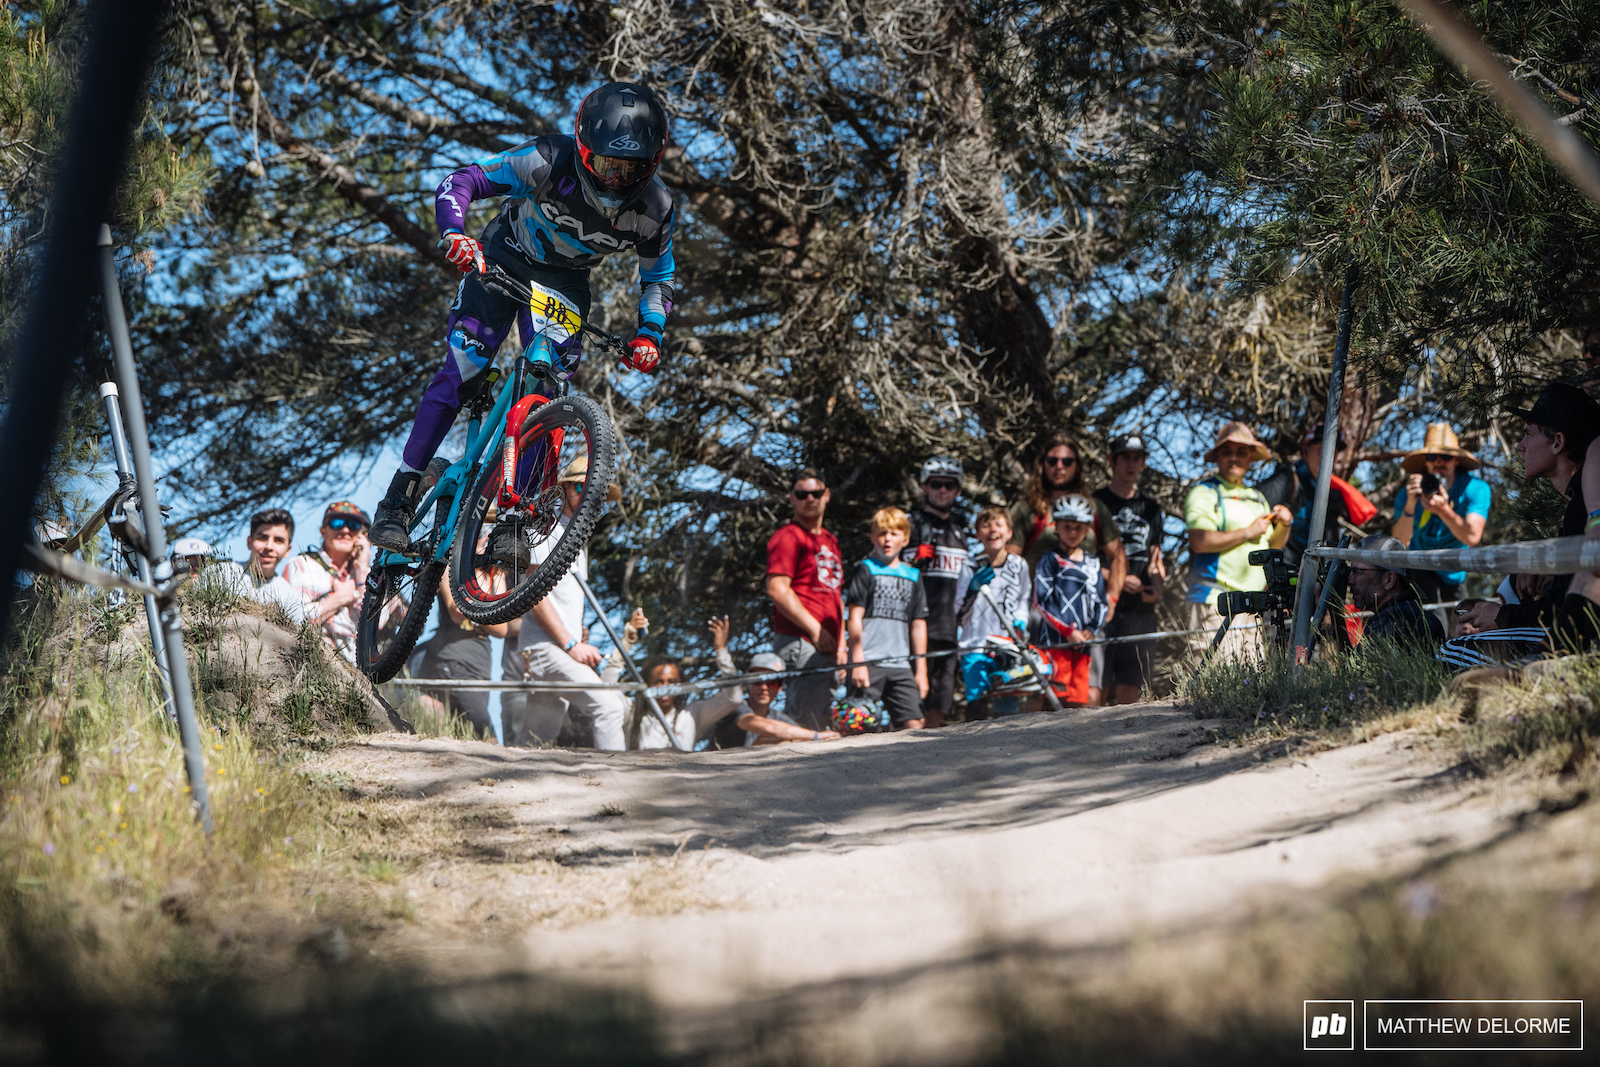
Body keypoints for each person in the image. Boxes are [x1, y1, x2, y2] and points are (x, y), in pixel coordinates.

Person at [370, 82, 676, 551]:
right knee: (464, 369)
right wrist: (455, 233)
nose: (615, 180)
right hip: (504, 254)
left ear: (651, 166)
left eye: (629, 169)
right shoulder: (547, 158)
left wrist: (650, 334)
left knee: (545, 386)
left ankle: (516, 516)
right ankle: (400, 495)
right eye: (606, 164)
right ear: (581, 147)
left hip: (565, 283)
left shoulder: (655, 208)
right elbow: (463, 180)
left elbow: (657, 277)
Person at [1445, 384, 1600, 668]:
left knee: (1455, 650)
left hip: (1580, 644)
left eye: (1529, 433)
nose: (1520, 445)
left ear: (1558, 442)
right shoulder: (1578, 505)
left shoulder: (1582, 508)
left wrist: (1501, 616)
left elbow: (1565, 607)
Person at [505, 457, 626, 748]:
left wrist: (576, 634)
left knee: (537, 740)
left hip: (554, 649)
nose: (588, 496)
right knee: (610, 707)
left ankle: (508, 786)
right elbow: (535, 595)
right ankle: (621, 786)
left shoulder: (577, 537)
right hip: (548, 650)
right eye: (581, 487)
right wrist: (571, 645)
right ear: (564, 491)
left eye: (596, 491)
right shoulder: (547, 529)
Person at [1007, 433, 1127, 704]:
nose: (1059, 466)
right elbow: (1009, 560)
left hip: (1086, 612)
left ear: (1077, 466)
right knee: (1038, 685)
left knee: (1089, 686)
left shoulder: (1094, 508)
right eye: (1052, 460)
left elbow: (1117, 554)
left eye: (1067, 461)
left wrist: (1111, 599)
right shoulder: (1028, 508)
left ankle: (1088, 742)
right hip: (1038, 611)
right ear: (1043, 465)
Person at [1184, 422, 1292, 662]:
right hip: (1216, 603)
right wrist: (1247, 532)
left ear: (1251, 457)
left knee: (1250, 688)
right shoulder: (1204, 493)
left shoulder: (1257, 498)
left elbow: (1271, 549)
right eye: (1227, 451)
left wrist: (1284, 525)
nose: (1234, 457)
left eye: (1241, 451)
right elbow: (1199, 542)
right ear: (1217, 457)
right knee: (1215, 686)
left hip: (1251, 607)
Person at [766, 468, 846, 732]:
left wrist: (842, 645)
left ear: (827, 496)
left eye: (816, 493)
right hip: (802, 642)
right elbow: (777, 589)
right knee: (805, 725)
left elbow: (835, 594)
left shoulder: (831, 540)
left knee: (822, 721)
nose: (809, 499)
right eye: (802, 494)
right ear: (792, 498)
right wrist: (815, 630)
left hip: (827, 646)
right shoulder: (788, 536)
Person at [1092, 434, 1167, 704]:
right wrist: (1117, 578)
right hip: (1100, 605)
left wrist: (1157, 588)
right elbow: (1082, 558)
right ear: (1112, 460)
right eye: (1125, 457)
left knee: (1131, 689)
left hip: (1141, 610)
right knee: (1094, 689)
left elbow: (1157, 557)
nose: (1131, 464)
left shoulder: (1152, 508)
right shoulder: (1095, 503)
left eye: (1137, 458)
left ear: (1145, 463)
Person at [845, 508, 930, 730]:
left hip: (900, 664)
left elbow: (918, 623)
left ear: (906, 538)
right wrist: (858, 661)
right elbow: (854, 618)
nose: (887, 539)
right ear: (873, 538)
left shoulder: (914, 575)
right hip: (869, 661)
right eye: (882, 533)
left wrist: (921, 670)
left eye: (894, 533)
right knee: (857, 722)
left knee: (915, 722)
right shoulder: (866, 570)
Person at [1390, 423, 1490, 609]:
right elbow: (1399, 542)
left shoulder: (1475, 488)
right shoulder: (1408, 493)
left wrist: (1444, 510)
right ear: (1424, 461)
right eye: (1431, 456)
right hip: (1420, 566)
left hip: (1454, 570)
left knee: (1461, 622)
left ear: (1457, 460)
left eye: (1446, 457)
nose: (1438, 462)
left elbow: (1472, 536)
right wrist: (1410, 505)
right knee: (1433, 622)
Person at [903, 455, 969, 727]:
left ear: (958, 490)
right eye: (936, 484)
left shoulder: (960, 531)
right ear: (924, 487)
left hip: (948, 628)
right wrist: (910, 560)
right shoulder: (908, 524)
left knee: (940, 701)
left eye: (949, 485)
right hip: (911, 627)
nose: (942, 490)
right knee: (909, 703)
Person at [414, 563, 509, 739]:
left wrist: (471, 611)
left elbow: (502, 629)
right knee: (487, 735)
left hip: (480, 666)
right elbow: (455, 612)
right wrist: (488, 616)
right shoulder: (452, 566)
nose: (485, 538)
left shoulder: (496, 574)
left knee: (466, 734)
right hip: (451, 659)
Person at [624, 616, 745, 751]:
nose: (665, 688)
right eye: (658, 682)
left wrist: (721, 651)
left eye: (672, 682)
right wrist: (627, 640)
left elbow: (733, 699)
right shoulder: (631, 712)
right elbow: (605, 697)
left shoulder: (691, 715)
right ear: (647, 684)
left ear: (681, 684)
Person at [955, 506, 1032, 718]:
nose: (992, 530)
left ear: (1009, 532)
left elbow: (1023, 599)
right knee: (977, 704)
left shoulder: (1018, 564)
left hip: (1007, 646)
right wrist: (972, 589)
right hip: (974, 645)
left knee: (1007, 708)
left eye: (998, 524)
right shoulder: (969, 565)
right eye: (986, 525)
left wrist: (1021, 621)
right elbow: (957, 608)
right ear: (978, 534)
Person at [1256, 422, 1366, 570]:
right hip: (1283, 576)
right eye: (1320, 450)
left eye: (1332, 452)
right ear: (1305, 451)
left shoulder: (1332, 493)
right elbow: (1257, 516)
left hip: (1314, 582)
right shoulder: (1288, 478)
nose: (1326, 457)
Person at [1033, 495, 1109, 707]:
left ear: (1087, 529)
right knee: (1056, 699)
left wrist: (1092, 630)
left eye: (1078, 527)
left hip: (1085, 643)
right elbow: (1042, 600)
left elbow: (1101, 603)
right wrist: (1068, 631)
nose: (1072, 533)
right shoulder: (1049, 560)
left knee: (1083, 699)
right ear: (1056, 526)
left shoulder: (1093, 563)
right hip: (1056, 642)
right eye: (1067, 527)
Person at [281, 501, 372, 662]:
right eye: (336, 523)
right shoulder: (301, 565)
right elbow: (291, 621)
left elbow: (376, 626)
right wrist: (341, 598)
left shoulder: (366, 574)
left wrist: (361, 574)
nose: (345, 530)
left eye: (353, 525)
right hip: (312, 662)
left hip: (358, 672)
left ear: (360, 535)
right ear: (323, 532)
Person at [1346, 535, 1444, 653]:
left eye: (1359, 572)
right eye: (1350, 571)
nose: (1350, 580)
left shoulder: (1390, 621)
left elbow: (1355, 669)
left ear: (1389, 580)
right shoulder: (1421, 617)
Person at [216, 508, 308, 623]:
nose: (269, 546)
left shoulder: (292, 599)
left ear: (288, 550)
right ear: (249, 542)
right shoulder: (220, 574)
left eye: (279, 540)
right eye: (262, 538)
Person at [734, 653, 843, 744]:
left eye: (771, 683)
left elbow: (797, 735)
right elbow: (768, 727)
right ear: (749, 684)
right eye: (757, 681)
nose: (763, 687)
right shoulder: (736, 707)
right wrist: (817, 736)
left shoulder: (777, 717)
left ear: (779, 688)